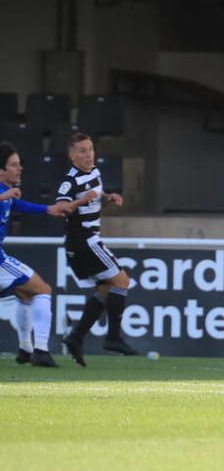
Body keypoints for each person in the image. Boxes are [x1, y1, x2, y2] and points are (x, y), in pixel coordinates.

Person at [0, 142, 95, 367]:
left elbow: (38, 208)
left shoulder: (9, 195)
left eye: (20, 164)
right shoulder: (5, 194)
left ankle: (26, 349)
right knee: (43, 290)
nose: (19, 168)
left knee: (27, 294)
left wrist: (65, 205)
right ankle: (40, 351)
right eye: (14, 165)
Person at [59, 132, 136, 366]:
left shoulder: (94, 171)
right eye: (82, 151)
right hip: (84, 239)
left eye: (90, 149)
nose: (88, 154)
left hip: (85, 241)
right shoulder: (69, 181)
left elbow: (95, 192)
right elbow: (61, 207)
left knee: (105, 288)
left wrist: (108, 196)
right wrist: (80, 201)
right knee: (122, 281)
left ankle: (76, 337)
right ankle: (113, 338)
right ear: (72, 156)